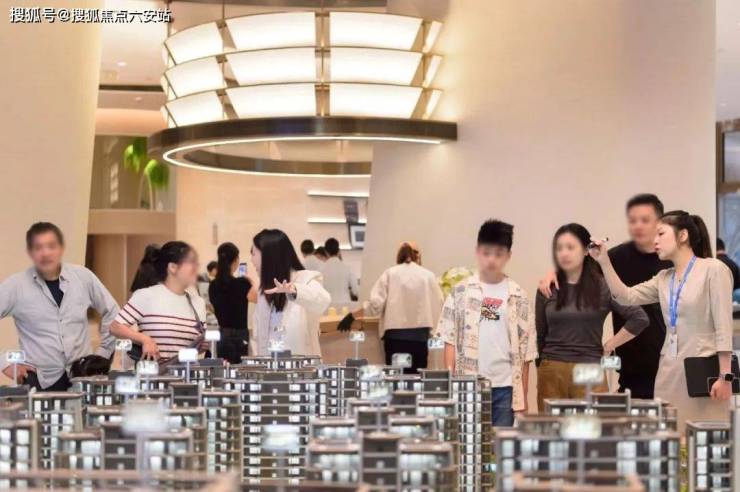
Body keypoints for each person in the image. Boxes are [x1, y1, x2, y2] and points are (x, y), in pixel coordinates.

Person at [590, 211, 734, 431]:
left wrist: (726, 376)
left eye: (661, 234)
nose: (654, 241)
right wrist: (604, 261)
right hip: (669, 371)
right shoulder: (664, 278)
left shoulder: (713, 270)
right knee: (669, 436)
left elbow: (723, 327)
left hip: (704, 372)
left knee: (703, 438)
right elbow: (625, 296)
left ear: (682, 235)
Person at [538, 194, 671, 398]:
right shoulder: (615, 257)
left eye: (645, 220)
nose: (638, 226)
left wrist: (609, 345)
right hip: (627, 365)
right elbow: (579, 265)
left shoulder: (669, 260)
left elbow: (638, 317)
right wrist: (554, 273)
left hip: (664, 357)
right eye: (633, 220)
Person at [535, 224, 649, 410]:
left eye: (570, 247)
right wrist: (541, 366)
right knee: (551, 427)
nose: (564, 253)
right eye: (559, 248)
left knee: (592, 425)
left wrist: (609, 346)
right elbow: (541, 333)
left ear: (586, 251)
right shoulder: (548, 287)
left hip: (589, 367)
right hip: (552, 368)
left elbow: (639, 318)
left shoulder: (602, 286)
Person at [438, 220, 537, 426]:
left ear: (508, 256)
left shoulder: (518, 295)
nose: (491, 259)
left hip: (506, 389)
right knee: (469, 444)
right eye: (486, 253)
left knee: (502, 444)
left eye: (498, 254)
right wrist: (450, 387)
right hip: (468, 386)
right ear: (477, 252)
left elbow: (526, 352)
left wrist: (522, 399)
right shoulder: (460, 292)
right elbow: (449, 341)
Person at [0, 222, 118, 390]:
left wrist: (103, 354)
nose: (45, 253)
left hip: (83, 377)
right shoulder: (16, 286)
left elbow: (112, 312)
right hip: (39, 380)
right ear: (30, 252)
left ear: (61, 249)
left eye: (51, 246)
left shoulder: (83, 277)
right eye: (38, 247)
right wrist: (5, 363)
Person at [338, 242, 443, 373]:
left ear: (398, 257)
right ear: (418, 257)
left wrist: (352, 315)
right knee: (417, 378)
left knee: (395, 378)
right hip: (419, 338)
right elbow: (439, 303)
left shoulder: (390, 274)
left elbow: (375, 305)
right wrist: (434, 333)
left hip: (395, 339)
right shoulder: (428, 276)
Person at [110, 241, 207, 361]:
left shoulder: (198, 303)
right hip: (154, 371)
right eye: (190, 262)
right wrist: (145, 340)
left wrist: (203, 346)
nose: (196, 268)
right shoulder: (145, 296)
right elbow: (115, 327)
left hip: (186, 371)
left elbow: (195, 347)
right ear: (173, 267)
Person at [251, 229, 331, 356]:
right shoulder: (264, 291)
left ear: (269, 256)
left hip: (301, 365)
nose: (252, 260)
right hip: (269, 365)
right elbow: (258, 337)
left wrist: (295, 291)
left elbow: (323, 301)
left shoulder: (305, 279)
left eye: (254, 253)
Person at [208, 242, 257, 363]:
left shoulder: (213, 285)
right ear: (235, 260)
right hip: (240, 336)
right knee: (239, 370)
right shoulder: (243, 283)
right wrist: (252, 282)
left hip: (222, 335)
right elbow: (257, 298)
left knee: (223, 369)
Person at [321, 237, 359, 305]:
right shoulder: (347, 267)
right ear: (339, 251)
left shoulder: (320, 269)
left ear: (326, 252)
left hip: (328, 307)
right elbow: (355, 290)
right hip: (345, 306)